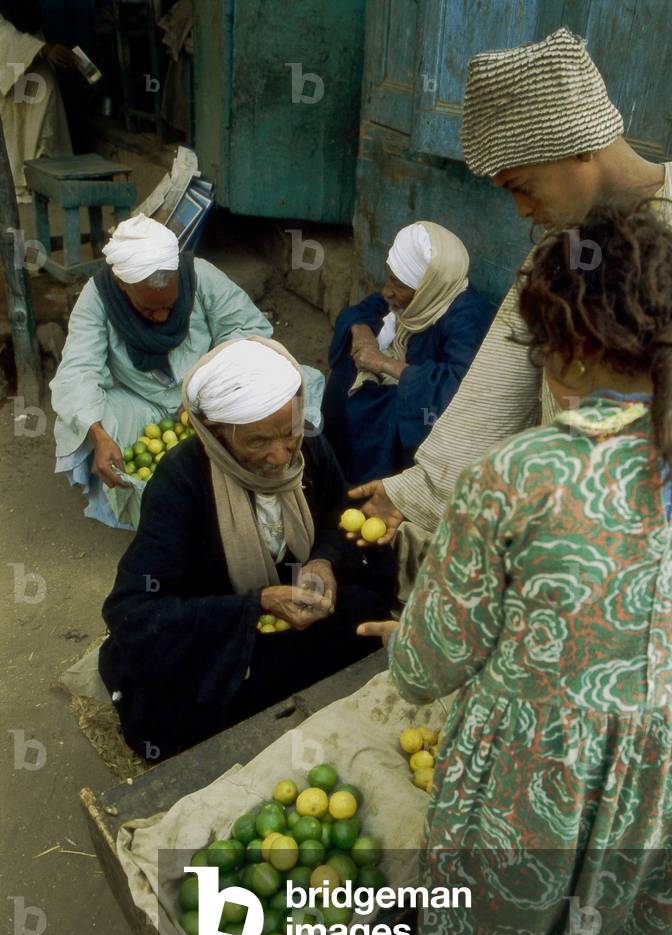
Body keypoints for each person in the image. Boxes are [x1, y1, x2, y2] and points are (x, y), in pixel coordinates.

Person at [359, 201, 672, 935]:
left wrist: (411, 637)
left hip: (531, 779)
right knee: (591, 933)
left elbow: (431, 663)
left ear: (562, 348)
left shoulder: (519, 472)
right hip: (650, 785)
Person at [346, 28, 672, 570]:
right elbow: (495, 387)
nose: (523, 210)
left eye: (522, 186)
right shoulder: (555, 256)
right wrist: (417, 492)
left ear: (578, 149)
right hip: (572, 534)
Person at [99, 336, 395, 761]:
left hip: (293, 617)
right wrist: (256, 604)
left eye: (287, 431)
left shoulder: (308, 447)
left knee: (366, 614)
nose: (279, 456)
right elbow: (134, 612)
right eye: (256, 442)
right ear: (214, 433)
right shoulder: (180, 482)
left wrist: (323, 561)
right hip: (224, 631)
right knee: (178, 712)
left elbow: (338, 515)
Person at [50, 214, 320, 530]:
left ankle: (287, 476)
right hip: (142, 399)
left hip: (211, 394)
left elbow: (247, 331)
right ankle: (156, 510)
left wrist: (206, 390)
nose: (163, 315)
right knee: (88, 419)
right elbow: (79, 370)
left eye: (170, 305)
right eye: (150, 309)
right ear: (123, 285)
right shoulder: (97, 298)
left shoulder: (201, 276)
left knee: (300, 381)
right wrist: (97, 434)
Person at [321, 222, 493, 483]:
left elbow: (458, 385)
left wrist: (384, 363)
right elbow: (363, 311)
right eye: (388, 277)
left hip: (426, 405)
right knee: (348, 369)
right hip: (404, 376)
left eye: (398, 284)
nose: (386, 290)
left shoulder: (466, 316)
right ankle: (332, 468)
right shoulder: (412, 295)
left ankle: (373, 488)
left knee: (382, 411)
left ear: (426, 288)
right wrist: (361, 332)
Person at [0, 1, 76, 203]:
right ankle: (18, 181)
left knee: (46, 89)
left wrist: (43, 50)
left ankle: (44, 176)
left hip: (30, 60)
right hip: (6, 69)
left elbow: (28, 22)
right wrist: (43, 50)